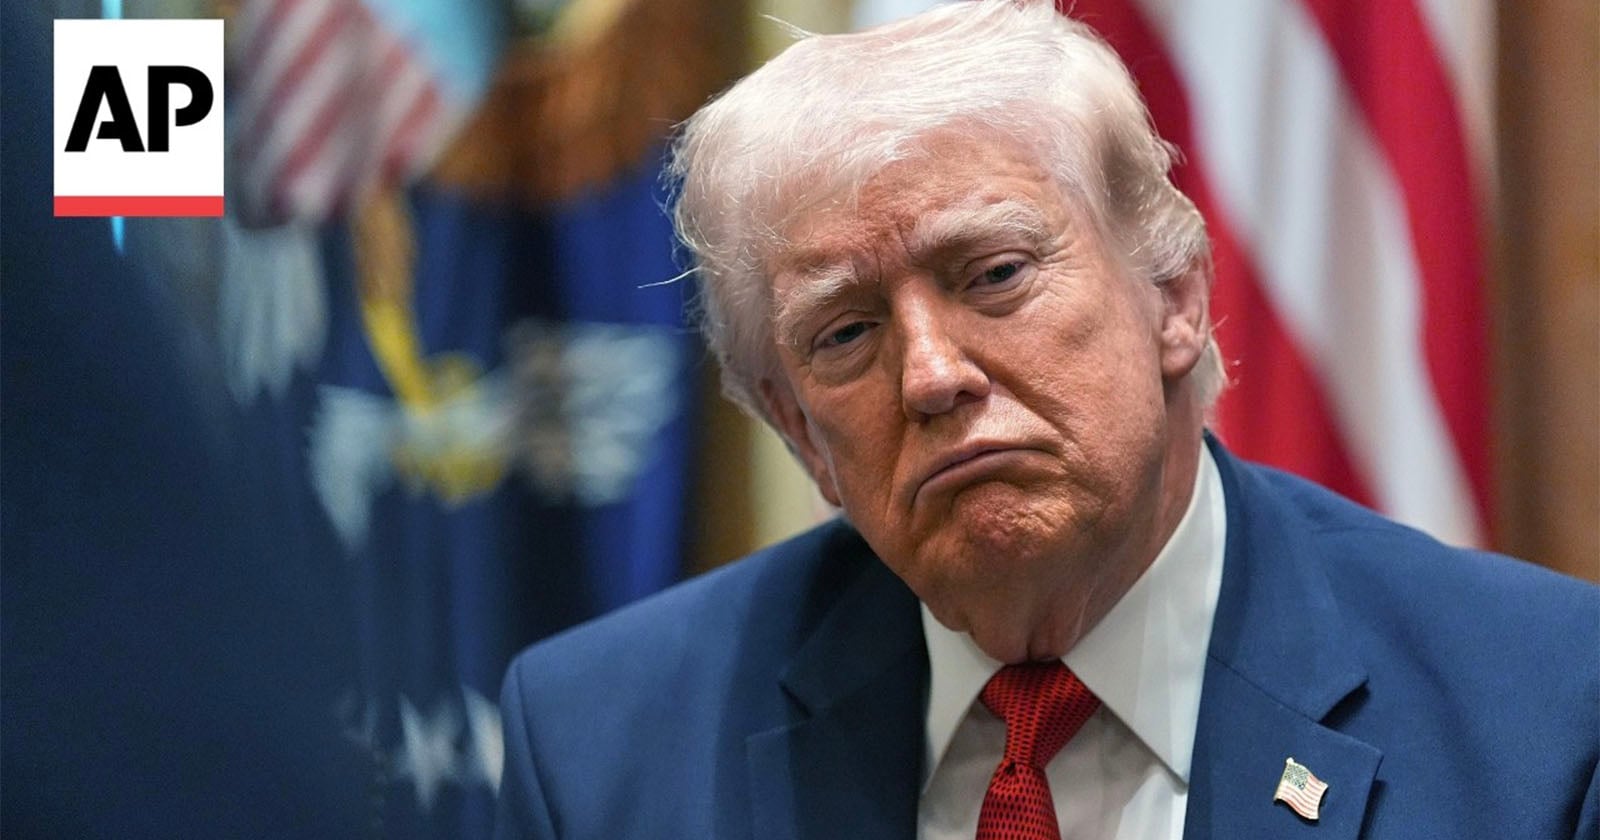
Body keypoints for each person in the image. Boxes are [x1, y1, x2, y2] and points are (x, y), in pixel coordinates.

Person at [494, 2, 1599, 838]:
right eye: (845, 334)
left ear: (1172, 296)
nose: (930, 376)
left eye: (995, 274)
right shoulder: (603, 746)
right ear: (797, 433)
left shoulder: (1544, 716)